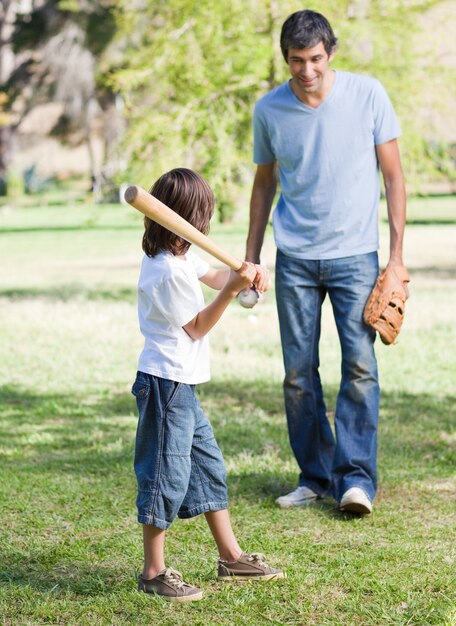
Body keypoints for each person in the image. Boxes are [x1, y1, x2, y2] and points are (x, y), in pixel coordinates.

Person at [245, 10, 407, 515]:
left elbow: (395, 177)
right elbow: (264, 184)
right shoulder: (269, 110)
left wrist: (397, 259)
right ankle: (316, 476)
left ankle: (356, 480)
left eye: (315, 59)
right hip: (294, 257)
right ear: (285, 58)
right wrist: (251, 257)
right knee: (298, 372)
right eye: (297, 61)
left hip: (356, 255)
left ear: (330, 53)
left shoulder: (367, 95)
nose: (307, 71)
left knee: (359, 366)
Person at [131, 167, 284, 602]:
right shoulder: (165, 272)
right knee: (166, 475)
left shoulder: (180, 257)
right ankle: (153, 570)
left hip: (184, 386)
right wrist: (232, 292)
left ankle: (230, 556)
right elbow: (197, 327)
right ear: (189, 219)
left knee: (208, 467)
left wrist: (244, 272)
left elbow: (215, 274)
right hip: (165, 385)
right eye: (204, 216)